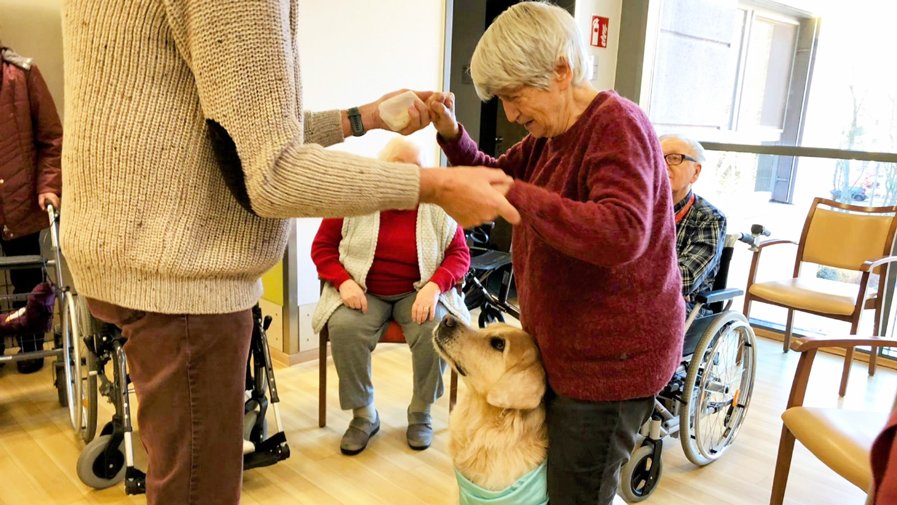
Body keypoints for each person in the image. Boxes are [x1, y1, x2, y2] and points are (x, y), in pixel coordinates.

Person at [59, 3, 518, 504]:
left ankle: (417, 415)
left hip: (127, 252)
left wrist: (361, 119)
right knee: (197, 489)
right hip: (183, 278)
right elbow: (273, 174)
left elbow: (246, 130)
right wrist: (432, 185)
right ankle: (363, 414)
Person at [422, 3, 684, 504]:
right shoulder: (549, 136)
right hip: (564, 351)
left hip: (610, 364)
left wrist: (513, 193)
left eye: (515, 97)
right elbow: (494, 171)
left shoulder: (617, 126)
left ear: (562, 70)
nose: (512, 114)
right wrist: (453, 135)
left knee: (576, 494)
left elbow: (622, 231)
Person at [311, 137, 471, 455]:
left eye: (418, 169)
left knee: (434, 329)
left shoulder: (438, 204)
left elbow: (459, 255)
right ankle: (364, 415)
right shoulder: (354, 198)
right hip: (363, 291)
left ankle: (420, 413)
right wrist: (343, 282)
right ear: (384, 168)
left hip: (418, 291)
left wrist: (435, 285)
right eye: (403, 168)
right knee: (344, 327)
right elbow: (322, 248)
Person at [0, 45, 62, 374]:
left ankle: (31, 351)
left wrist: (48, 186)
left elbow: (51, 137)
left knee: (27, 282)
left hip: (21, 200)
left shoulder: (22, 75)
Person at [660, 134, 727, 317]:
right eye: (657, 156)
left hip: (687, 310)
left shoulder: (709, 217)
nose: (663, 164)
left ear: (696, 172)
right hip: (638, 297)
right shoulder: (641, 208)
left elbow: (685, 279)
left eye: (674, 158)